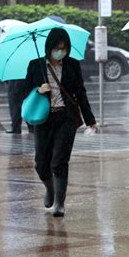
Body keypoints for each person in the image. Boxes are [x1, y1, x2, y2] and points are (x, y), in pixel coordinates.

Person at [23, 28, 98, 217]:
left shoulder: (72, 65)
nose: (60, 52)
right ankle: (50, 189)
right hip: (43, 119)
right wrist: (38, 90)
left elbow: (81, 92)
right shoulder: (35, 65)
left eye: (64, 48)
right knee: (41, 164)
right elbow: (23, 92)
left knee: (59, 162)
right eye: (57, 48)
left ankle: (59, 202)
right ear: (49, 47)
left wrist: (90, 120)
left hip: (66, 118)